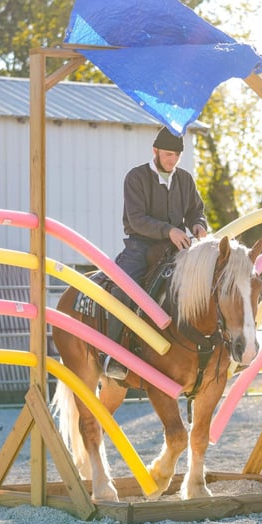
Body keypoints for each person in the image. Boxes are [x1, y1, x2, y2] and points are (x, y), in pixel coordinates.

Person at [102, 126, 208, 379]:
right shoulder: (136, 177)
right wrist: (168, 230)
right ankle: (113, 356)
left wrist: (198, 224)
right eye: (168, 154)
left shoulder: (185, 179)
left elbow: (196, 210)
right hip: (141, 246)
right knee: (123, 289)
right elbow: (136, 219)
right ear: (155, 151)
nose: (173, 160)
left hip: (178, 247)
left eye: (177, 155)